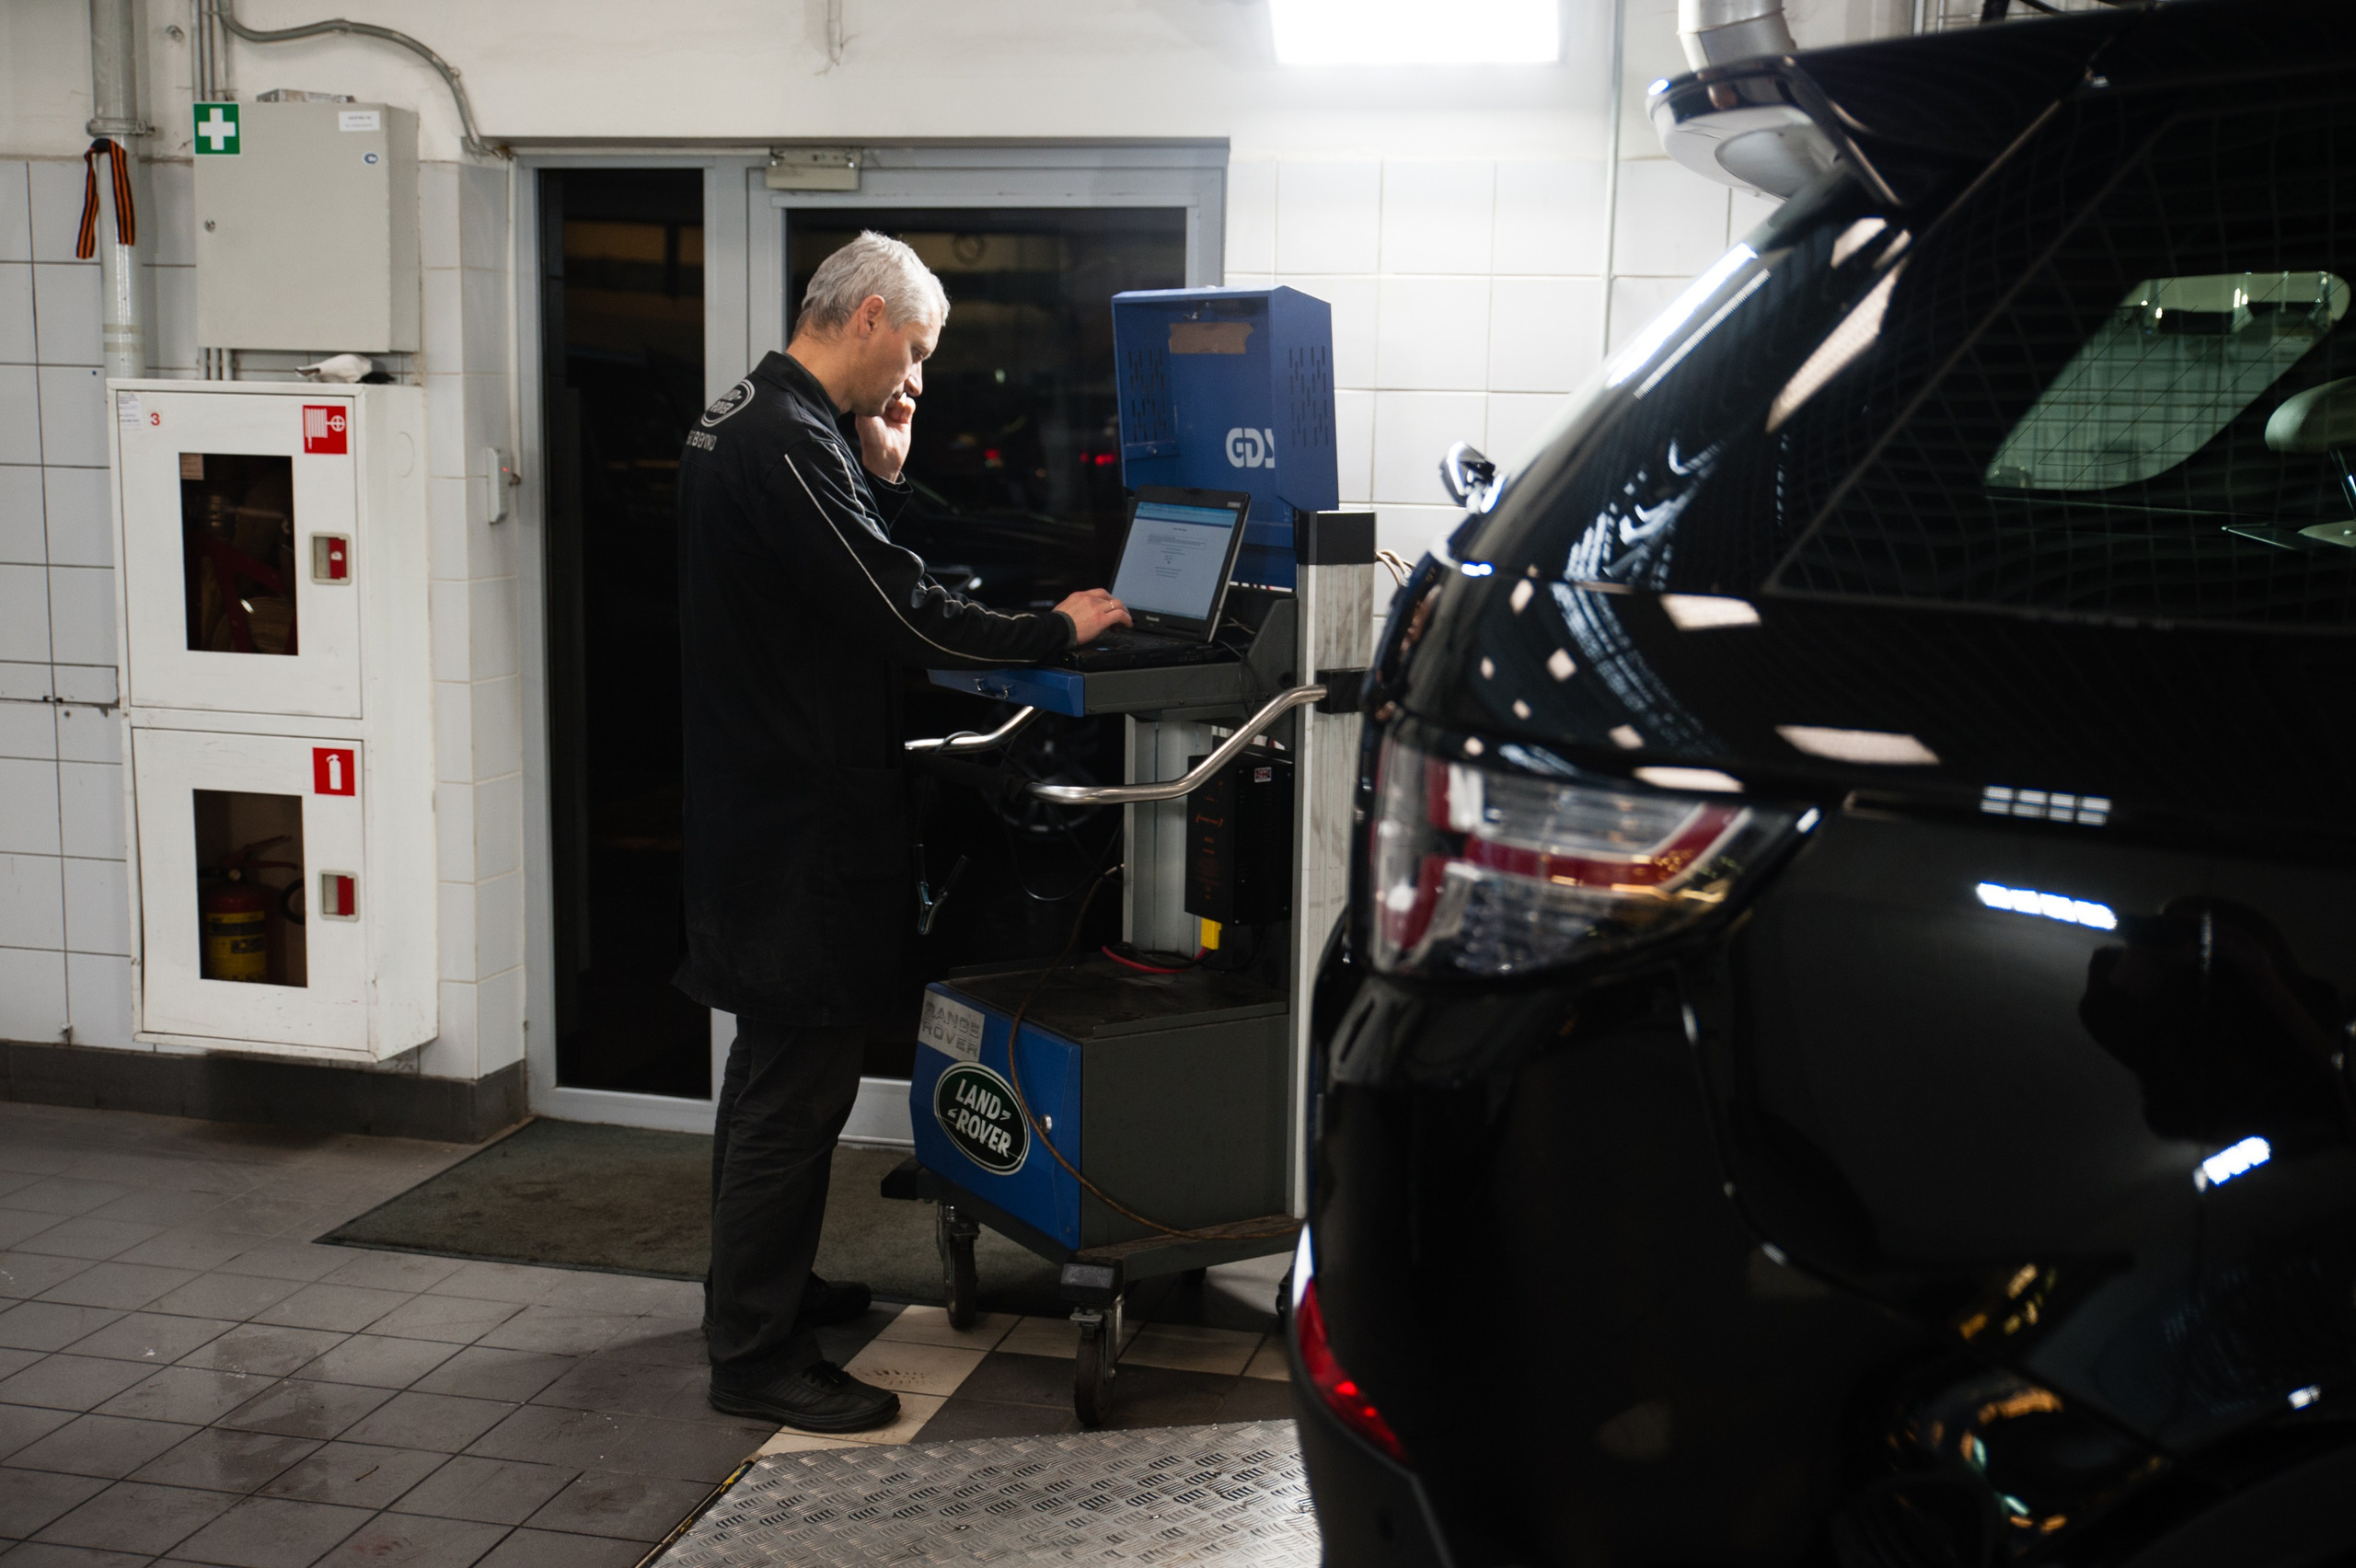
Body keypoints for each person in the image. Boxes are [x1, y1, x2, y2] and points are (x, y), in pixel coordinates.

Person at [674, 231, 1131, 1431]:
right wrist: (1052, 632)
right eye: (915, 353)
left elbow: (835, 582)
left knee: (773, 1078)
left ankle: (754, 1293)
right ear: (870, 316)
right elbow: (899, 609)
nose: (913, 381)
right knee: (795, 1090)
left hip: (762, 808)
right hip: (796, 829)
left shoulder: (760, 422)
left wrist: (880, 470)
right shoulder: (782, 444)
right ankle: (753, 1356)